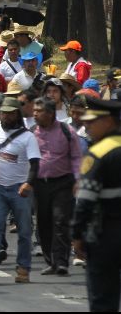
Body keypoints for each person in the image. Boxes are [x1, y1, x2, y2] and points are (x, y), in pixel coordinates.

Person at [0, 97, 41, 285]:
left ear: (17, 114)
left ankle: (23, 269)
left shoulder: (28, 137)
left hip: (20, 189)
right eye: (4, 112)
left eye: (11, 113)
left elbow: (35, 164)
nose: (6, 116)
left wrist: (28, 183)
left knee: (24, 230)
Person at [71, 96, 121, 312]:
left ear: (108, 121)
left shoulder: (98, 154)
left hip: (105, 234)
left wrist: (77, 235)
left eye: (92, 122)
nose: (86, 125)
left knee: (103, 298)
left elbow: (85, 201)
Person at [31, 97, 82, 276]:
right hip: (39, 185)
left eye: (39, 111)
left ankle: (61, 262)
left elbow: (76, 156)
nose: (35, 114)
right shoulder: (31, 133)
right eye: (34, 111)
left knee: (61, 221)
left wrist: (77, 180)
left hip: (63, 183)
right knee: (44, 223)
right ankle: (50, 261)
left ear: (51, 113)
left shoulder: (66, 131)